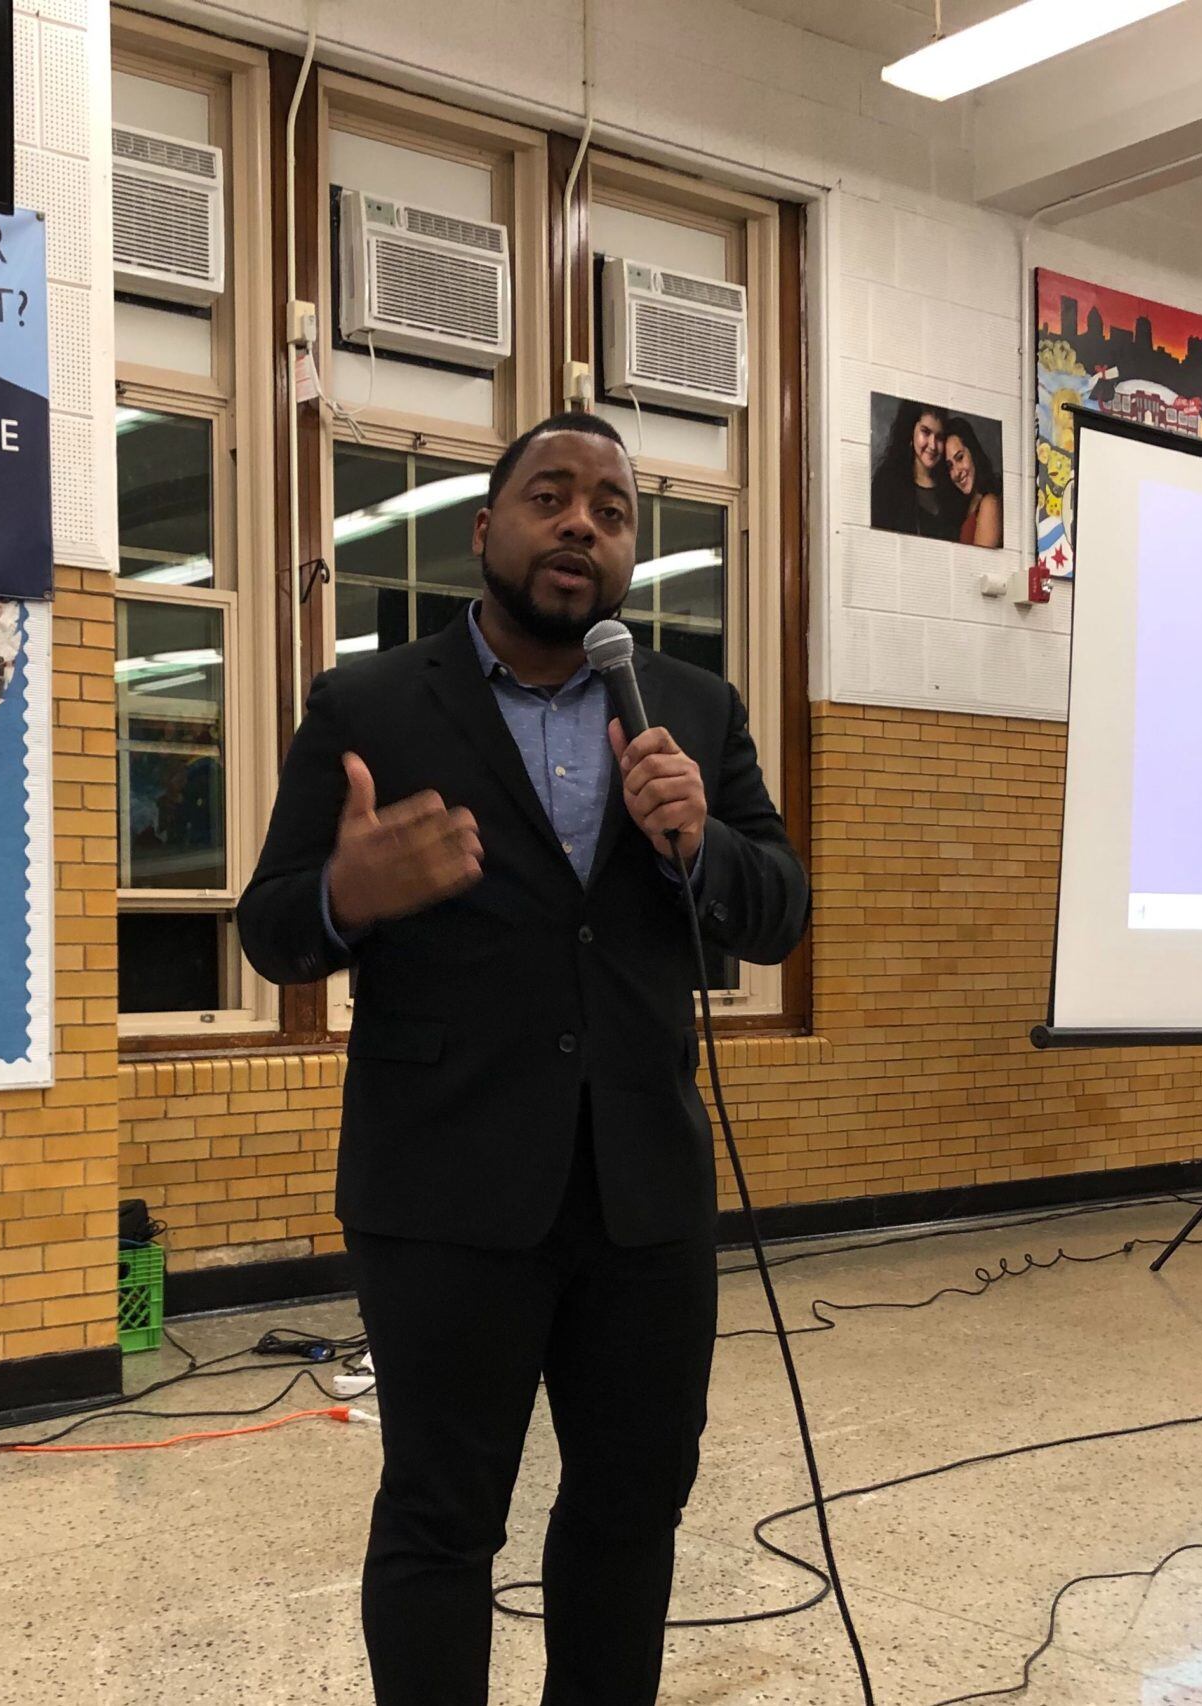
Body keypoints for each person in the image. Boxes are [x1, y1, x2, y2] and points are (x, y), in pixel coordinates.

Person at [239, 411, 808, 1706]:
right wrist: (347, 888)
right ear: (485, 526)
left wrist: (703, 841)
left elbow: (780, 904)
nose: (582, 526)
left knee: (630, 1507)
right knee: (443, 1517)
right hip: (442, 1191)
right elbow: (270, 931)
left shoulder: (694, 710)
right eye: (550, 496)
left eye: (611, 511)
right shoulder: (371, 701)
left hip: (643, 1196)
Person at [868, 398, 965, 539]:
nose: (932, 445)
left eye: (939, 437)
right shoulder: (887, 485)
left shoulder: (953, 486)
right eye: (925, 432)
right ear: (910, 430)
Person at [943, 416, 1004, 549]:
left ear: (973, 452)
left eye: (960, 458)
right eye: (949, 466)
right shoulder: (965, 507)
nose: (956, 472)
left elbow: (982, 566)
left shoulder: (989, 503)